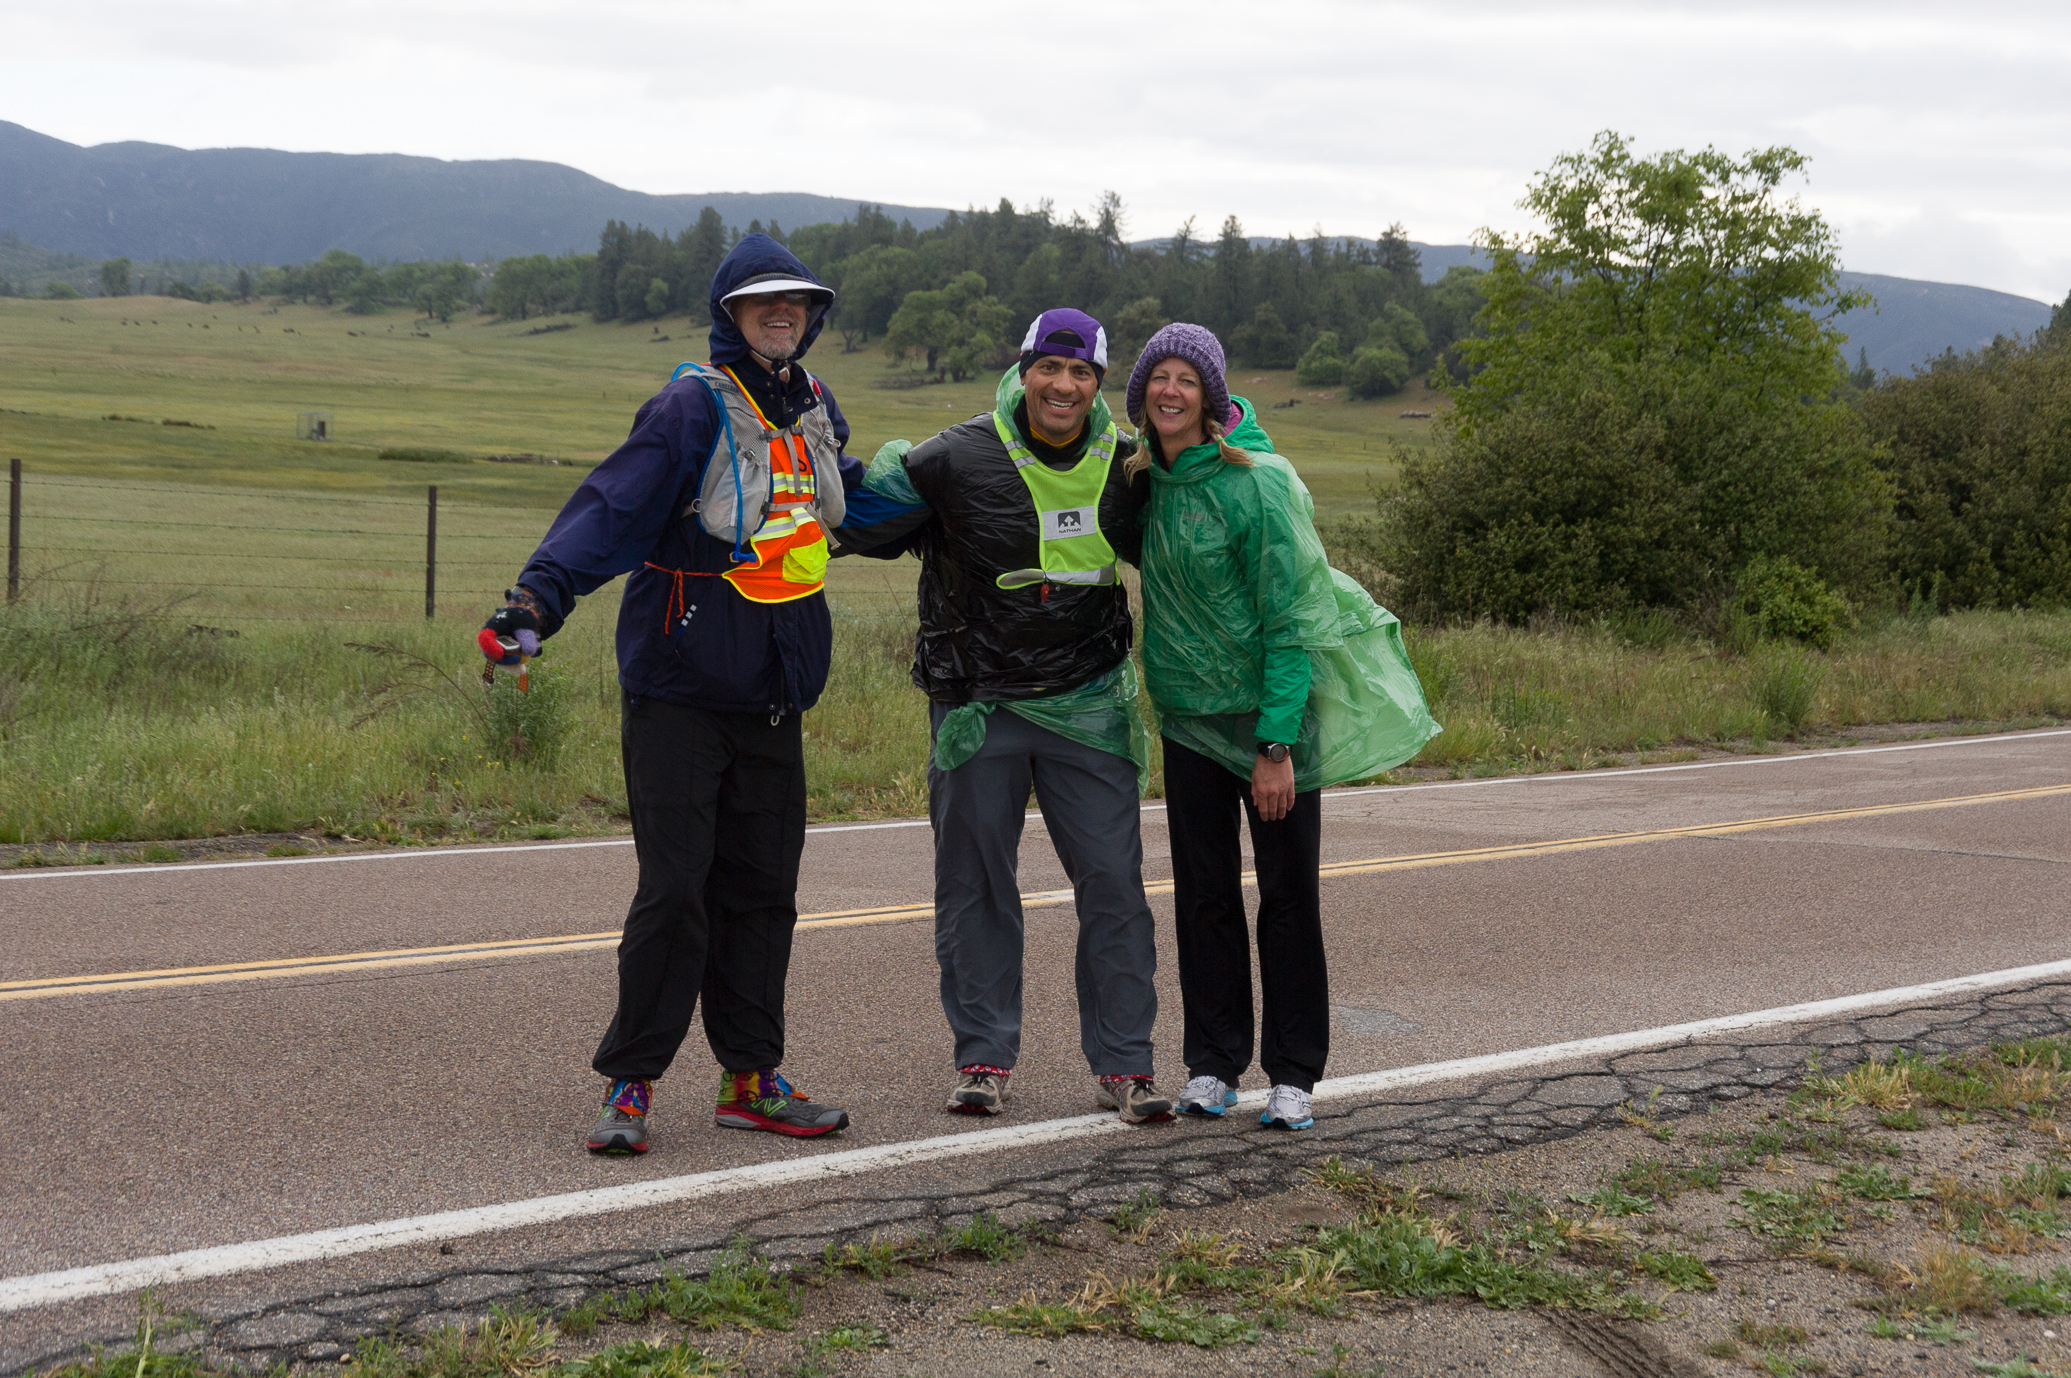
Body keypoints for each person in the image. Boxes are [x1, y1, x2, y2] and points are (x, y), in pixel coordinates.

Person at [479, 235, 860, 1155]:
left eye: (797, 302)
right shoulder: (689, 406)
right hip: (680, 689)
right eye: (764, 301)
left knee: (763, 894)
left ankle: (751, 1079)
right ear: (729, 311)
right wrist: (535, 599)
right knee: (676, 893)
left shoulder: (814, 407)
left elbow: (838, 514)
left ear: (812, 317)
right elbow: (611, 508)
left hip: (774, 690)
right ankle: (632, 1085)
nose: (783, 313)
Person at [834, 308, 1173, 1124]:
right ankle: (982, 1058)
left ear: (1097, 383)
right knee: (975, 886)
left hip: (1087, 712)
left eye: (1080, 373)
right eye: (1047, 369)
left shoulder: (1127, 470)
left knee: (1114, 887)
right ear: (1024, 371)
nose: (1061, 386)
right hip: (976, 709)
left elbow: (1194, 539)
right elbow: (858, 528)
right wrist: (809, 458)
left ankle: (1125, 1067)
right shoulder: (951, 458)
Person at [1124, 322, 1439, 1132]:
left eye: (1185, 380)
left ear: (1210, 396)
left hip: (1269, 723)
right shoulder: (1141, 481)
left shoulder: (1258, 482)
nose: (1169, 391)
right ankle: (1211, 1064)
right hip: (1190, 723)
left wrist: (1275, 746)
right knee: (1202, 897)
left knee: (1287, 898)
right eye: (1157, 377)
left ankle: (1294, 1072)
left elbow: (1291, 617)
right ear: (1139, 396)